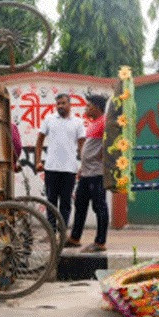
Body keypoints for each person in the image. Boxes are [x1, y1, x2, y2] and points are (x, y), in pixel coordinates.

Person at [34, 94, 83, 232]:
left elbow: (82, 145)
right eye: (58, 103)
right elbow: (39, 141)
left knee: (66, 203)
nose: (60, 106)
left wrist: (83, 165)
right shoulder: (49, 119)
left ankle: (62, 232)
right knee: (51, 202)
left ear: (70, 105)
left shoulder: (78, 122)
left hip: (69, 169)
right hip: (51, 168)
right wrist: (38, 161)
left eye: (63, 103)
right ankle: (51, 232)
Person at [69, 93, 109, 251]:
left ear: (97, 107)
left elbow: (110, 143)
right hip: (86, 172)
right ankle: (75, 238)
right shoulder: (94, 123)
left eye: (89, 105)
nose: (86, 108)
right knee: (80, 205)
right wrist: (82, 168)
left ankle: (100, 242)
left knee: (99, 207)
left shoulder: (105, 122)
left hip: (97, 173)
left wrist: (102, 159)